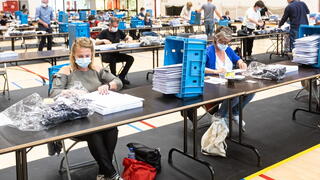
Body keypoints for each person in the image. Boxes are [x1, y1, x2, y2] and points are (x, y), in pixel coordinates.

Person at [50, 37, 123, 180]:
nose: (84, 59)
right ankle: (112, 174)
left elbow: (118, 82)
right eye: (80, 56)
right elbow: (53, 94)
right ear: (73, 56)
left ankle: (104, 171)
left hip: (97, 116)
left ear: (92, 55)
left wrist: (108, 86)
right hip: (76, 121)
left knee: (112, 129)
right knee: (94, 133)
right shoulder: (66, 71)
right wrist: (71, 92)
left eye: (87, 56)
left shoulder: (96, 69)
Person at [206, 26, 254, 130]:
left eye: (227, 42)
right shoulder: (208, 51)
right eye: (223, 42)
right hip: (213, 85)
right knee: (235, 96)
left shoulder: (227, 50)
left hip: (228, 81)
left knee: (251, 91)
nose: (225, 45)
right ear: (216, 39)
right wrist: (215, 71)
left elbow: (237, 59)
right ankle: (219, 116)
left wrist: (241, 63)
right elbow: (199, 68)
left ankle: (235, 112)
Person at [98, 17, 134, 85]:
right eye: (114, 26)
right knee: (113, 59)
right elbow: (96, 41)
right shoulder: (104, 32)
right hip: (106, 55)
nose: (115, 27)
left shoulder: (118, 31)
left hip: (116, 54)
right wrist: (103, 40)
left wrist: (129, 38)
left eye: (117, 26)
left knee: (130, 59)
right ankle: (113, 78)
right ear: (110, 25)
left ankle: (121, 77)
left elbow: (127, 37)